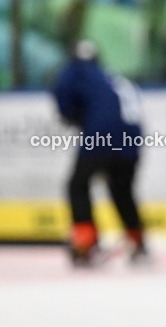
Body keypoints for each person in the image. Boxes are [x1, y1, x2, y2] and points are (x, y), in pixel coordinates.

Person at [52, 40, 147, 265]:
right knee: (121, 189)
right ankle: (137, 240)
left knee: (77, 185)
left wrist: (76, 117)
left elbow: (64, 101)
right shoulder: (112, 77)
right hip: (131, 139)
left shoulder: (74, 71)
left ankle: (85, 241)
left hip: (101, 136)